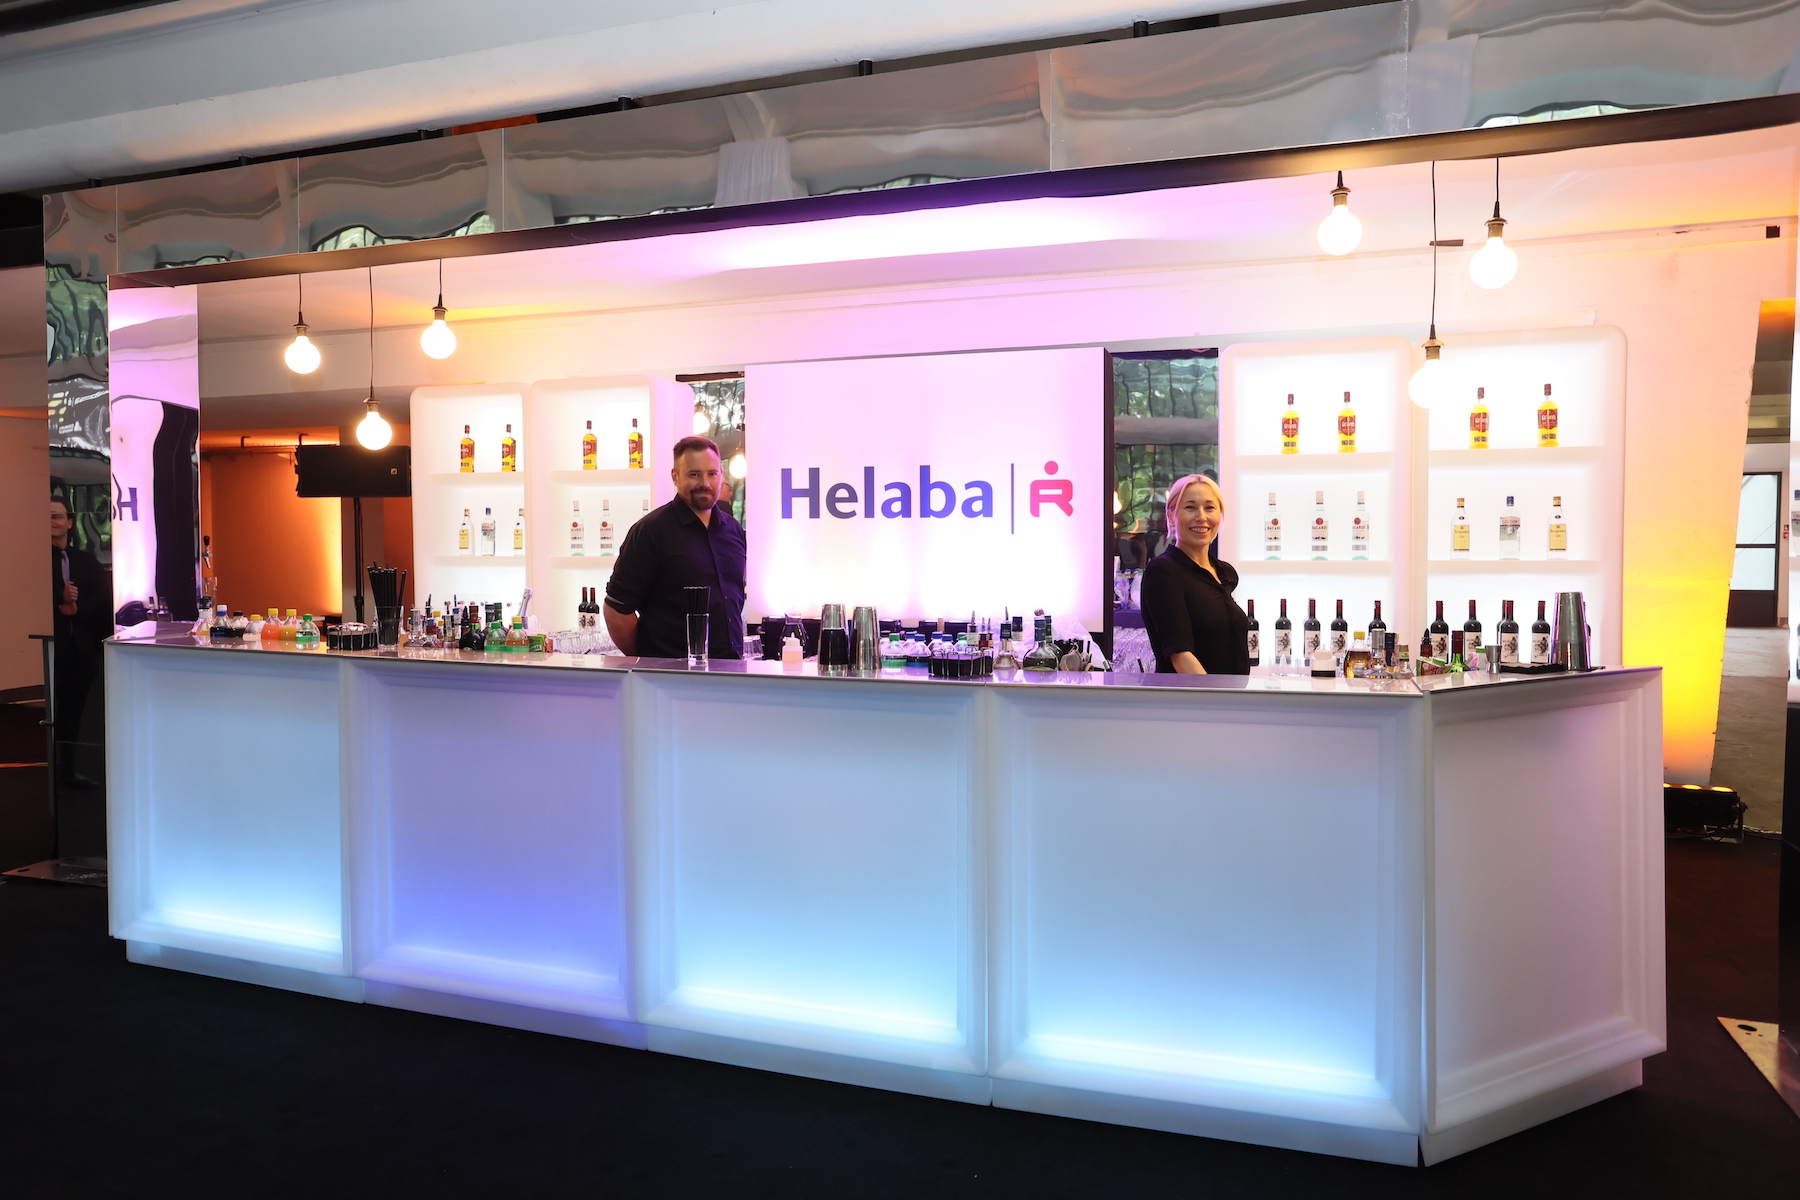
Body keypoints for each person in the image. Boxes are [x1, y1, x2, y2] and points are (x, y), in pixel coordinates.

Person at [604, 435, 747, 659]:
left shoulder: (733, 530)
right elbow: (616, 610)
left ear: (721, 475)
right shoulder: (651, 531)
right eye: (694, 474)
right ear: (675, 476)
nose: (705, 483)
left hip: (732, 670)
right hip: (671, 675)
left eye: (712, 473)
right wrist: (648, 661)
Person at [1138, 473, 1250, 675]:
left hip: (1234, 693)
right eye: (1190, 507)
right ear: (1171, 515)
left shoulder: (1224, 573)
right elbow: (1180, 655)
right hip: (1192, 694)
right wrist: (1213, 695)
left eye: (1210, 507)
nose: (1201, 517)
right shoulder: (1164, 572)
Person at [50, 495, 110, 779]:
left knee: (75, 716)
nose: (51, 522)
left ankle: (69, 772)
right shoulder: (33, 562)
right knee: (49, 715)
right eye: (46, 517)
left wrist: (77, 608)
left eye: (57, 516)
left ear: (70, 522)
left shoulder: (86, 561)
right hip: (50, 652)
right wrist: (58, 598)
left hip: (82, 653)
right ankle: (49, 775)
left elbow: (104, 599)